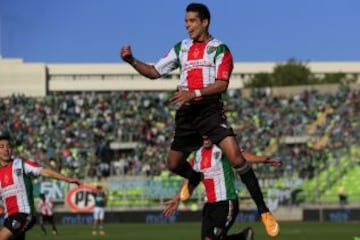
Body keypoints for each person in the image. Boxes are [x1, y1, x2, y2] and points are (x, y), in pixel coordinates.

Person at [120, 2, 279, 237]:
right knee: (173, 164)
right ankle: (196, 178)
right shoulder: (181, 48)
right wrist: (132, 61)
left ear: (204, 22)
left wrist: (193, 93)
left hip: (209, 111)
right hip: (186, 114)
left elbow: (222, 84)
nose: (188, 26)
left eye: (192, 21)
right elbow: (154, 72)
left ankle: (263, 211)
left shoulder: (219, 49)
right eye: (186, 21)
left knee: (235, 156)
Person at [163, 136, 281, 240]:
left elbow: (241, 156)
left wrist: (263, 159)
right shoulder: (198, 153)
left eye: (208, 134)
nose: (205, 137)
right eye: (203, 135)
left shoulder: (221, 148)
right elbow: (191, 178)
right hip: (209, 205)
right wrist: (177, 198)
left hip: (226, 202)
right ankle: (243, 237)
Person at [0, 133, 81, 240]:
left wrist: (67, 179)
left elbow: (45, 171)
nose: (6, 149)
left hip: (24, 214)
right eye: (2, 147)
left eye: (9, 146)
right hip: (8, 217)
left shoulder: (20, 164)